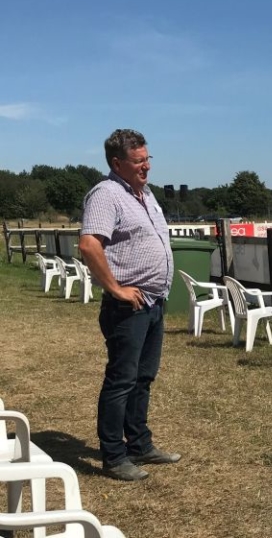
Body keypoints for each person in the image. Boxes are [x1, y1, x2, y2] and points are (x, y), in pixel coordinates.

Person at [80, 129, 180, 482]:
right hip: (128, 307)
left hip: (153, 302)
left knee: (143, 378)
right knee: (121, 380)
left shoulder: (145, 194)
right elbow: (90, 245)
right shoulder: (106, 195)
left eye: (148, 159)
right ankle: (114, 455)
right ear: (117, 163)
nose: (146, 167)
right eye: (139, 161)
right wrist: (117, 289)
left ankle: (139, 444)